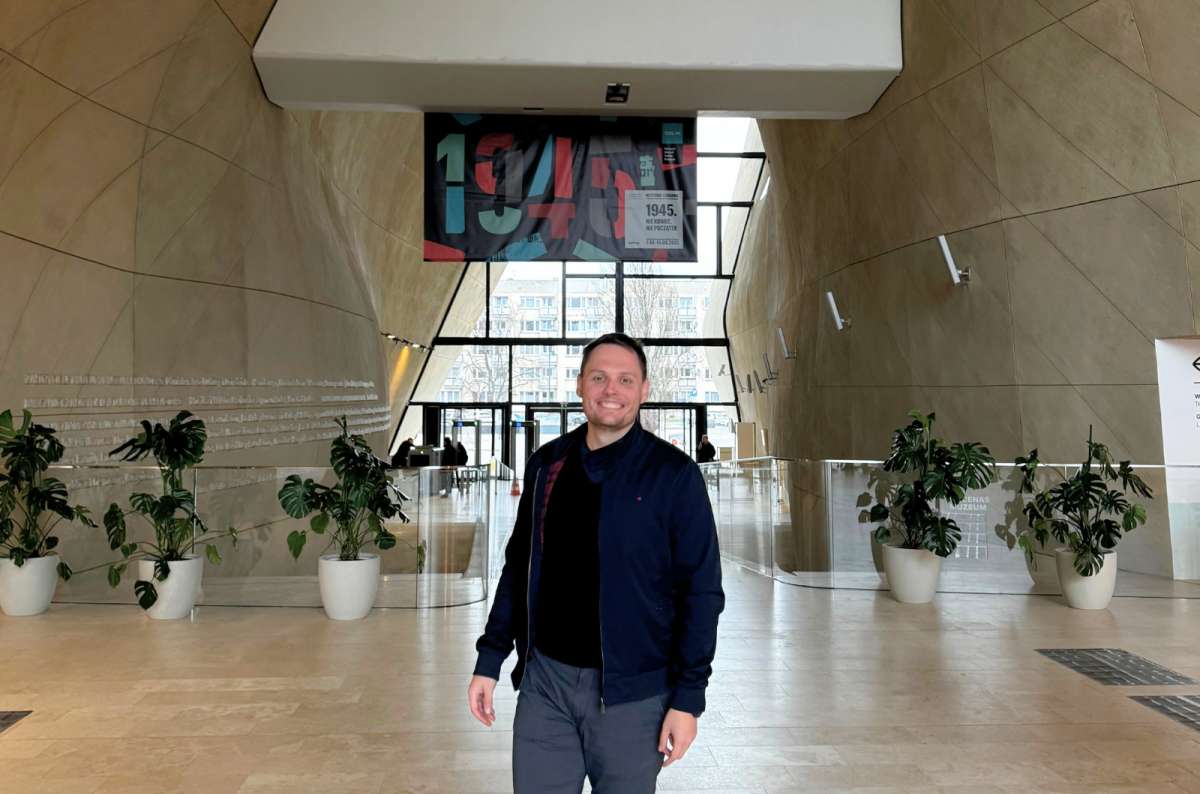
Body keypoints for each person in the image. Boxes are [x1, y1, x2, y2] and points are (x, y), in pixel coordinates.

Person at [467, 332, 724, 794]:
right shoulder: (548, 463)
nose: (612, 390)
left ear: (644, 390)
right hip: (546, 682)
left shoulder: (674, 475)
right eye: (599, 377)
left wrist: (688, 699)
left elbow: (702, 593)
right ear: (580, 385)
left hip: (633, 693)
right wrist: (490, 659)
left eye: (626, 379)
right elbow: (519, 564)